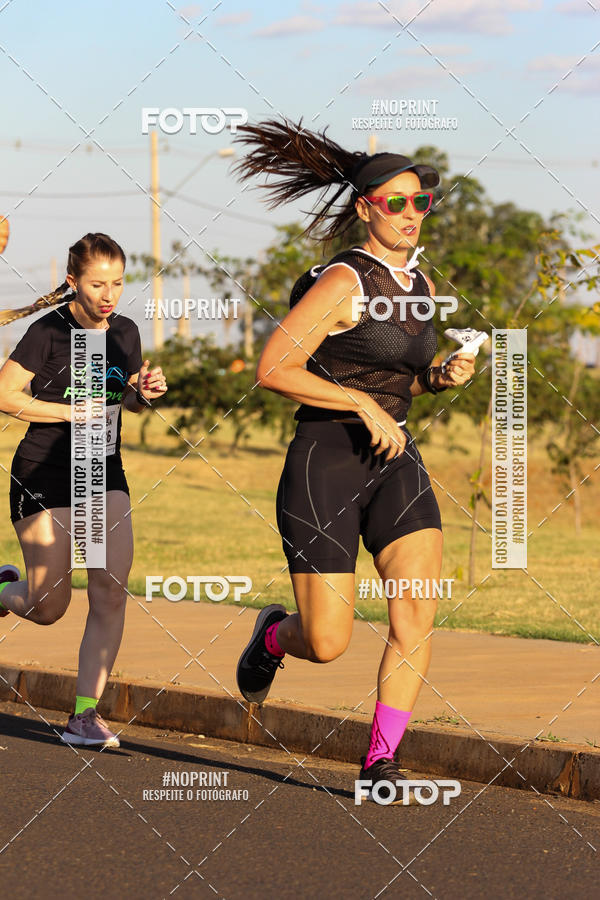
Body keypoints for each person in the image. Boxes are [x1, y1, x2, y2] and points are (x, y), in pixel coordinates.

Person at [233, 120, 476, 802]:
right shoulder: (343, 280)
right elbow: (274, 367)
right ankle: (273, 639)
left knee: (415, 613)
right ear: (367, 209)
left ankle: (380, 764)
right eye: (395, 202)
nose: (410, 213)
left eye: (420, 200)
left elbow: (397, 383)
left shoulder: (419, 282)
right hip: (327, 460)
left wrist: (436, 379)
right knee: (327, 641)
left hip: (395, 460)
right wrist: (359, 404)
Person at [0, 233, 167, 748]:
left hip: (102, 471)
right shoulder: (48, 331)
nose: (109, 294)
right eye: (97, 284)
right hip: (44, 474)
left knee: (110, 591)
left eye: (117, 283)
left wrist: (143, 393)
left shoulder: (126, 332)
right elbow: (4, 394)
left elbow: (126, 401)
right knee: (49, 607)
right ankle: (3, 590)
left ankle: (84, 715)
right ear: (73, 281)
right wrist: (67, 411)